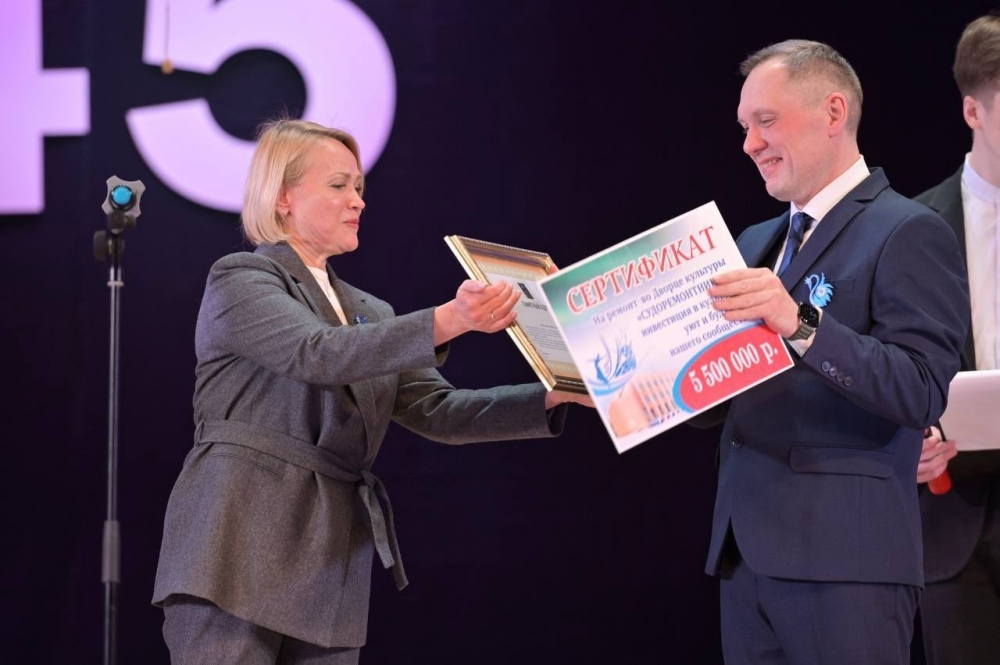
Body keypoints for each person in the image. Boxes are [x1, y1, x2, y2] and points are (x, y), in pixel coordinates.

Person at [151, 118, 589, 664]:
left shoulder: (371, 312)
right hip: (235, 547)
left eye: (359, 186)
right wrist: (449, 320)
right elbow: (315, 352)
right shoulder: (240, 278)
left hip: (329, 560)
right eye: (339, 185)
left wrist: (554, 395)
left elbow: (439, 411)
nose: (358, 200)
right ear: (283, 198)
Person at [695, 40, 970, 663]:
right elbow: (728, 392)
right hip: (745, 558)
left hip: (847, 565)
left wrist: (801, 324)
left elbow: (921, 388)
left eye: (766, 121)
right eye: (744, 127)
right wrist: (644, 382)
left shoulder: (908, 229)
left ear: (834, 112)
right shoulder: (756, 241)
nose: (750, 144)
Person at [913, 13, 1000, 664]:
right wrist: (905, 438)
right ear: (973, 111)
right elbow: (880, 366)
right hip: (952, 521)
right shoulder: (912, 229)